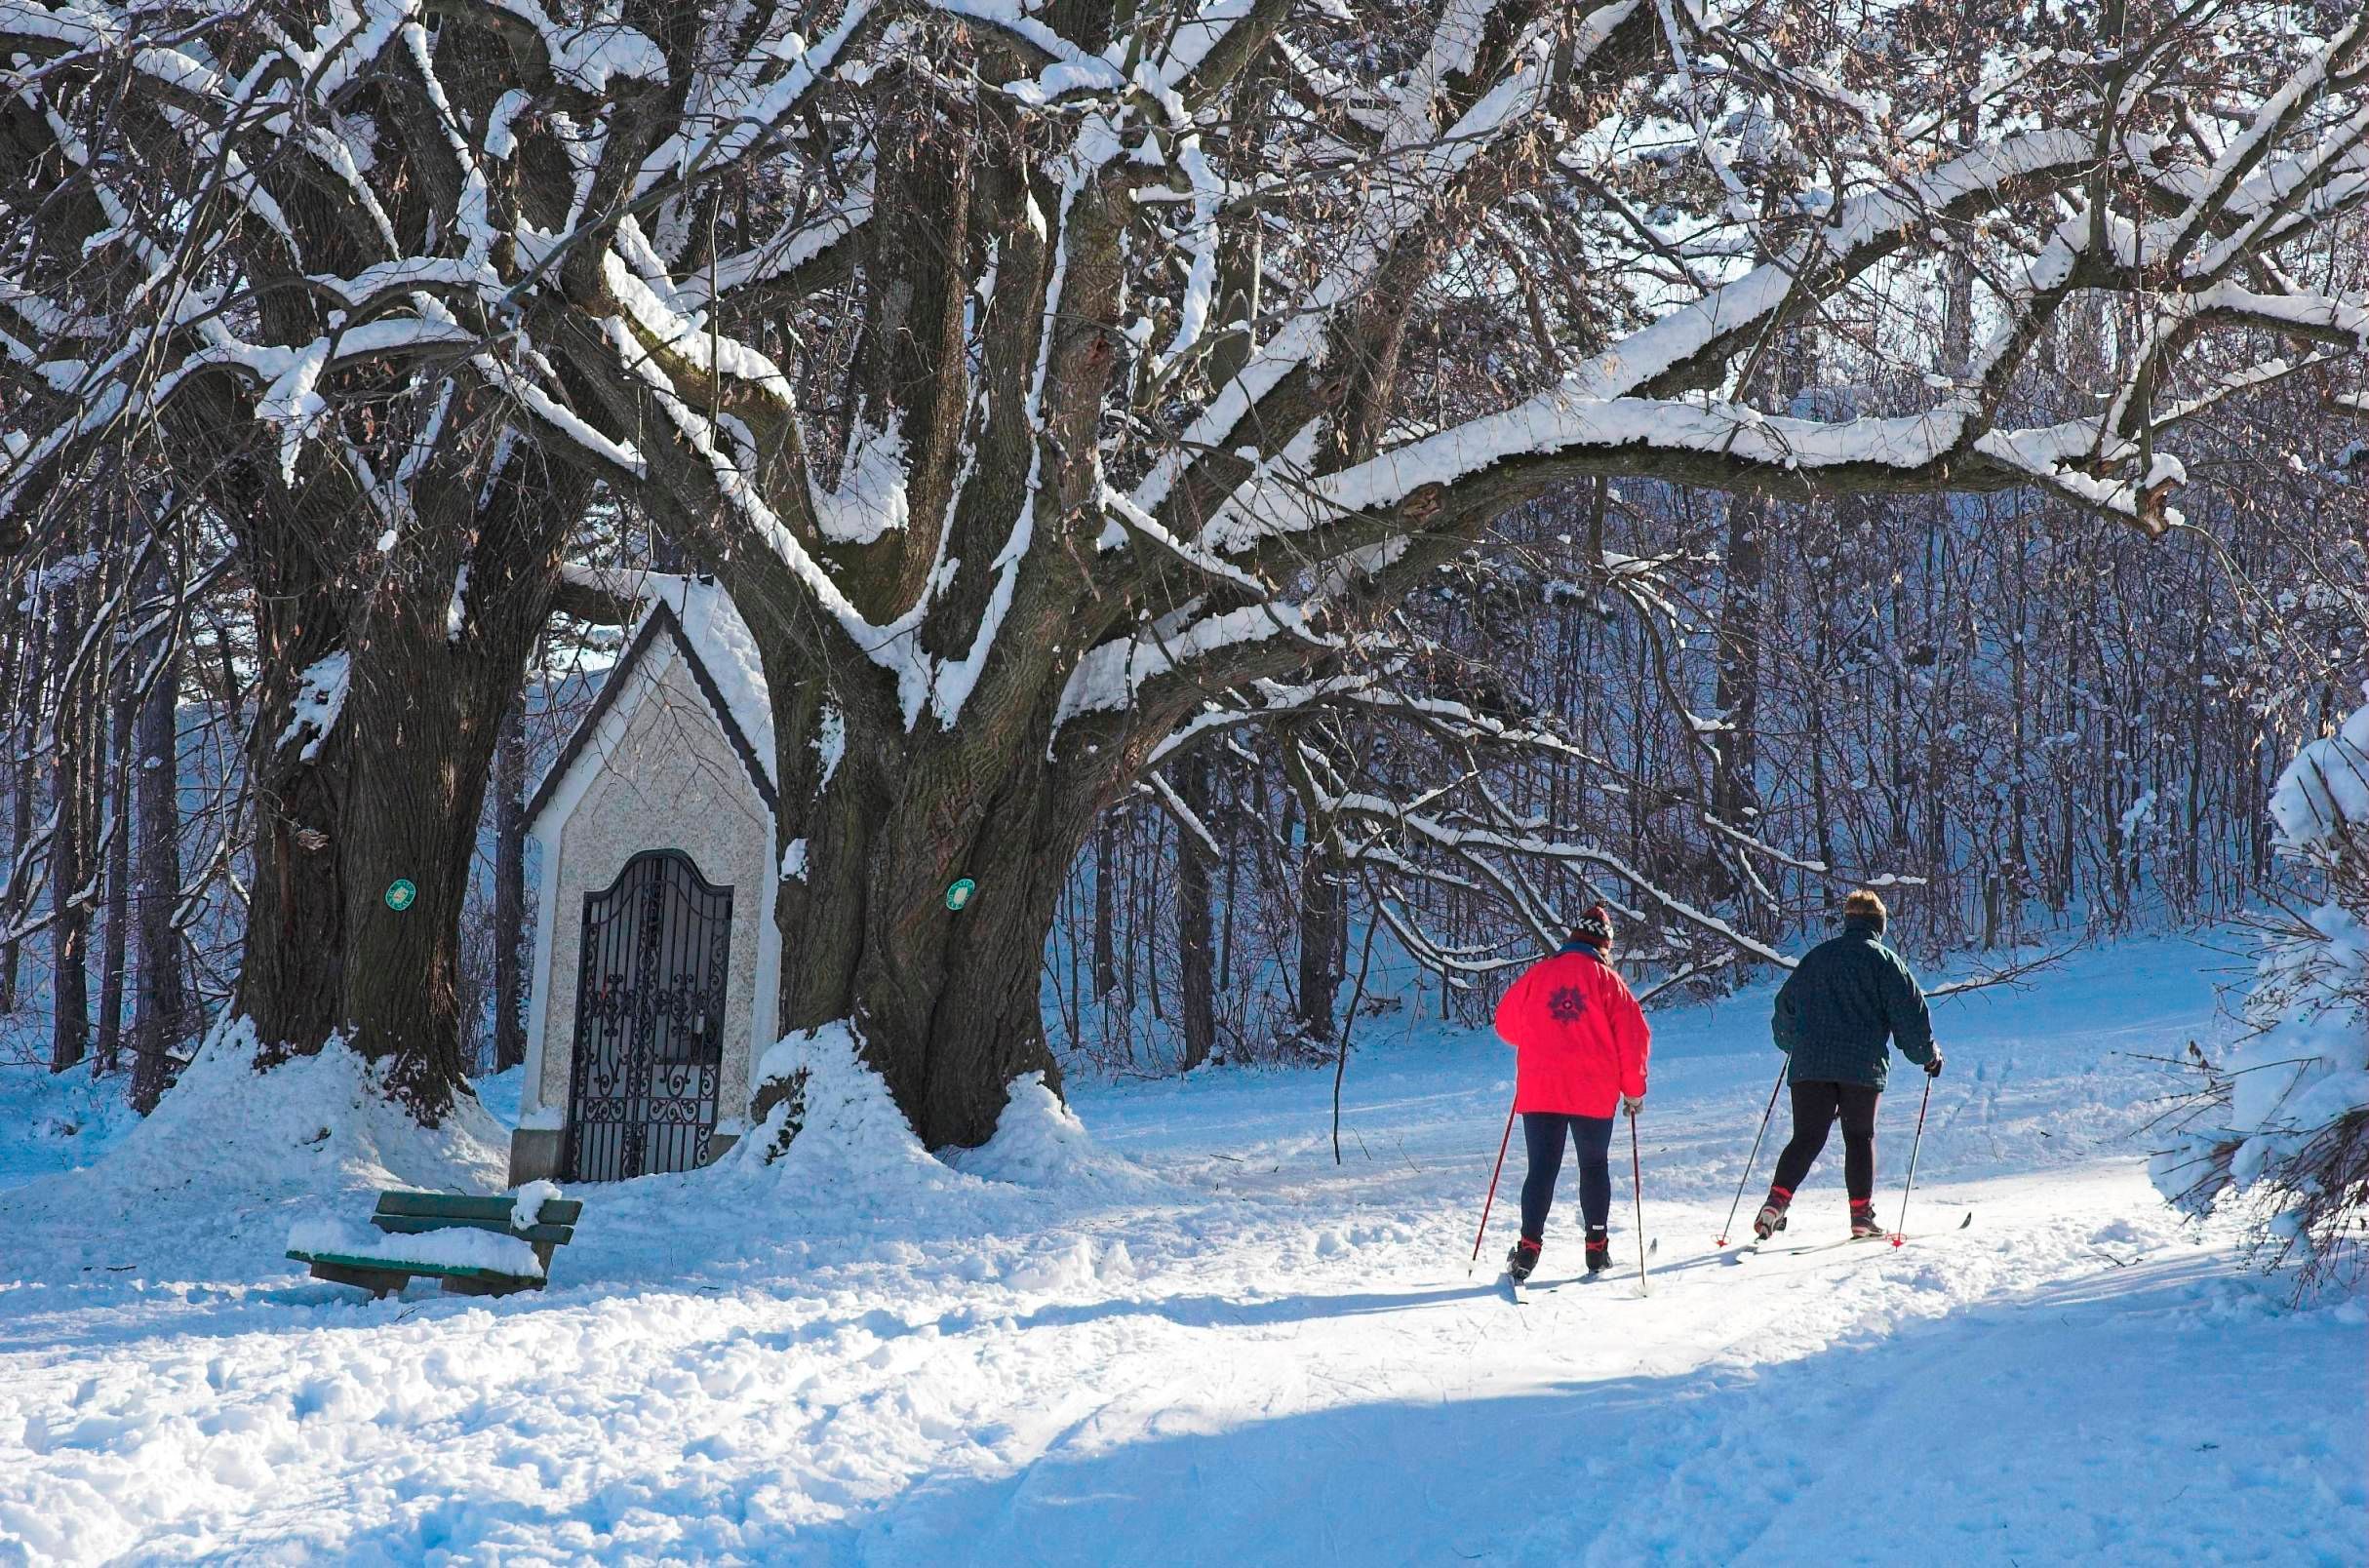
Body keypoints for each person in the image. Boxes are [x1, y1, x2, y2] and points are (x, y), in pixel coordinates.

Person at [1755, 888, 1941, 1241]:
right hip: (1861, 1065)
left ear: (1848, 921)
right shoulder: (1886, 963)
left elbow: (1785, 1007)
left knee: (1807, 1137)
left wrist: (1790, 1042)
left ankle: (1775, 1203)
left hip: (1811, 1064)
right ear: (1879, 925)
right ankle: (1860, 1216)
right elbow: (1910, 1016)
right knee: (1859, 1136)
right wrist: (1927, 1055)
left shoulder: (1816, 959)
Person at [1492, 904, 1651, 1281]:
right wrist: (1633, 1091)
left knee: (1541, 1168)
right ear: (1604, 943)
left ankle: (1528, 1248)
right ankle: (1596, 1248)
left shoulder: (1540, 974)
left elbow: (1506, 1024)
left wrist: (1542, 1035)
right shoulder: (1609, 982)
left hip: (1541, 1087)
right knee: (1594, 1165)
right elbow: (1634, 1038)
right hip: (1592, 1091)